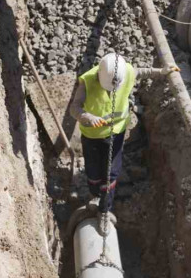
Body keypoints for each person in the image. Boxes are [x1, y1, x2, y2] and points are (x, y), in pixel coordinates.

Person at [69, 53, 178, 213]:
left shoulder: (125, 72)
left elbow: (141, 72)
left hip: (116, 132)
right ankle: (95, 194)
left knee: (111, 172)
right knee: (93, 170)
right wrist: (87, 116)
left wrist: (161, 71)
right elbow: (74, 107)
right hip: (92, 136)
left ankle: (105, 209)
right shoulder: (87, 81)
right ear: (99, 74)